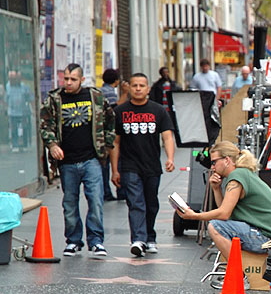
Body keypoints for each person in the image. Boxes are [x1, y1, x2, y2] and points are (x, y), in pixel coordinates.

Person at [176, 141, 271, 282]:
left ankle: (238, 276)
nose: (212, 167)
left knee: (215, 227)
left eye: (214, 162)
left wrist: (194, 216)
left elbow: (223, 214)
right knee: (219, 225)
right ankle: (238, 272)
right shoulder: (242, 174)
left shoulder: (237, 177)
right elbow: (225, 211)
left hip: (269, 240)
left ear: (227, 160)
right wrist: (216, 189)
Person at [39, 63, 115, 257]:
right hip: (68, 162)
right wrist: (53, 145)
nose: (68, 83)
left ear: (82, 80)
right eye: (66, 78)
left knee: (96, 200)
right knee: (70, 203)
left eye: (73, 79)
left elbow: (109, 120)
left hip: (91, 160)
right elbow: (45, 125)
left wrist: (105, 147)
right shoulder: (54, 99)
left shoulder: (95, 97)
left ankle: (96, 241)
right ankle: (73, 241)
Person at [111, 72, 175, 257]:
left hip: (152, 165)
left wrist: (170, 158)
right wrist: (115, 170)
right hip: (130, 165)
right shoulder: (120, 112)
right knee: (136, 202)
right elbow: (115, 142)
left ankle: (150, 237)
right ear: (128, 88)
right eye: (134, 85)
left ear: (148, 89)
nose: (138, 88)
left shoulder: (158, 110)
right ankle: (138, 239)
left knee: (151, 203)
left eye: (141, 85)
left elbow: (167, 135)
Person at [100, 68, 121, 201]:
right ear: (116, 81)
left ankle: (104, 191)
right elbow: (114, 111)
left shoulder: (101, 90)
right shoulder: (111, 93)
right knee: (106, 163)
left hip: (100, 132)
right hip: (107, 132)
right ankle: (106, 192)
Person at [6, 70, 33, 152]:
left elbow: (30, 98)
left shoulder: (24, 87)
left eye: (15, 78)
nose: (13, 80)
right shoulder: (8, 87)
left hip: (23, 112)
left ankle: (24, 144)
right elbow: (6, 99)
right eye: (11, 78)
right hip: (12, 112)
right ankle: (15, 145)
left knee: (24, 128)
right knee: (13, 129)